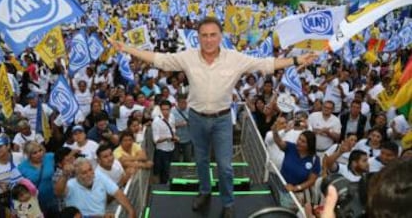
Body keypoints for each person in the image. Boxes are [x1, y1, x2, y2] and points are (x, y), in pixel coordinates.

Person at [109, 16, 318, 217]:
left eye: (213, 35)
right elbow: (159, 59)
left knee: (225, 166)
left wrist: (297, 59)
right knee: (200, 160)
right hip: (197, 118)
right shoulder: (187, 56)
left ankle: (228, 203)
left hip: (222, 120)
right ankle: (205, 191)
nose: (208, 40)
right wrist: (125, 48)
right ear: (198, 37)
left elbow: (266, 64)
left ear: (220, 36)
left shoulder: (235, 58)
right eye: (204, 35)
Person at [59, 158, 136, 217]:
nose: (89, 174)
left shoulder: (99, 176)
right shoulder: (70, 185)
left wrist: (131, 211)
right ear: (77, 175)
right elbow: (58, 192)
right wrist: (64, 175)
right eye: (84, 173)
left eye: (90, 170)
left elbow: (117, 193)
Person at [18, 141, 58, 216]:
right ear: (29, 155)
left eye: (40, 150)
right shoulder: (22, 167)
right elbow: (20, 187)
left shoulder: (50, 157)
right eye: (34, 153)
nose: (39, 154)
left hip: (54, 199)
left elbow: (64, 158)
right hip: (37, 203)